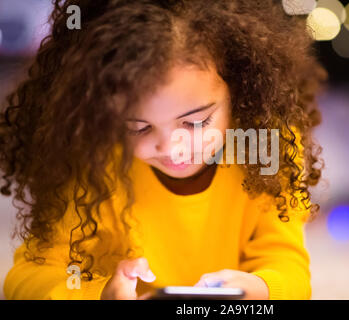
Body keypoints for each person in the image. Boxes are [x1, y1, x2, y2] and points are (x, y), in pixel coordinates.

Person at [1, 0, 326, 300]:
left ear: (239, 93)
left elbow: (287, 263)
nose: (172, 147)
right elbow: (25, 278)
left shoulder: (265, 143)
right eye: (138, 128)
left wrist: (261, 288)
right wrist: (100, 294)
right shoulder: (94, 158)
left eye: (196, 122)